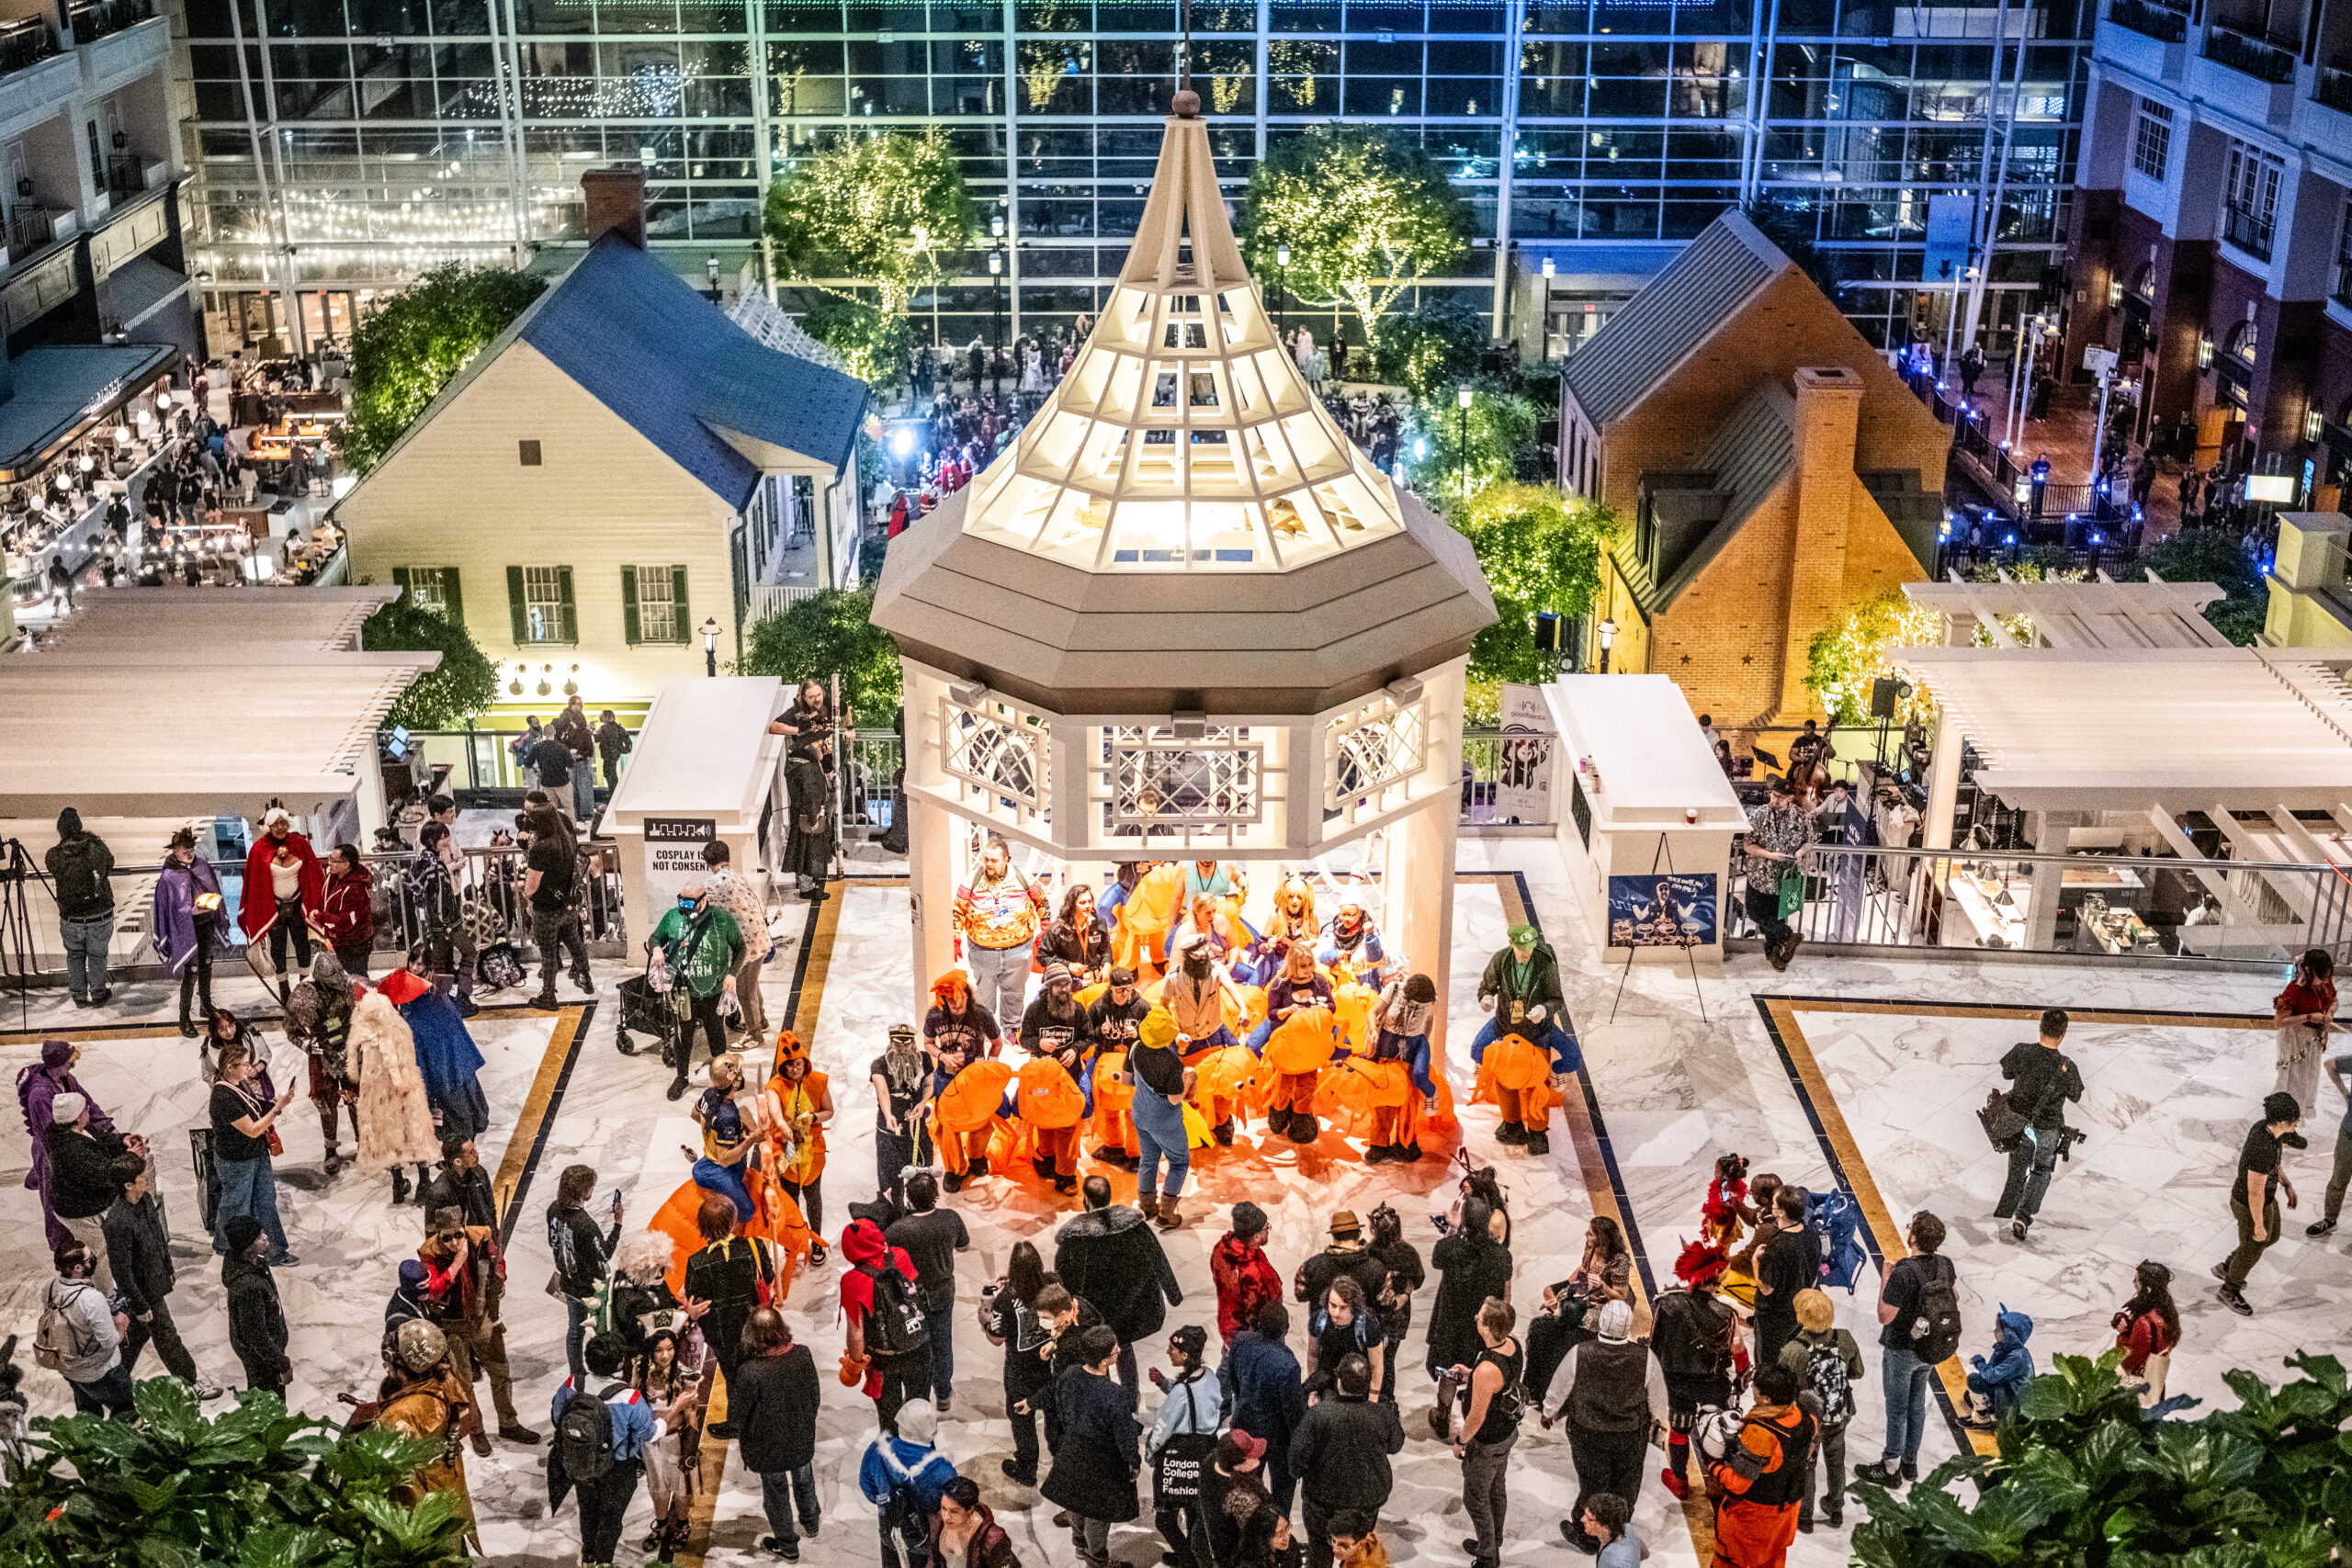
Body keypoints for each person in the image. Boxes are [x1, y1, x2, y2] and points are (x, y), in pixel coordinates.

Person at [1542, 1299, 1665, 1552]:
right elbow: (1658, 1400)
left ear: (1601, 1322)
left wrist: (1549, 1412)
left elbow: (1559, 1386)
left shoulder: (1580, 1352)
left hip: (1587, 1433)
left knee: (1592, 1484)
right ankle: (1617, 1534)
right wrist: (1661, 1423)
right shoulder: (1646, 1358)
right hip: (1630, 1435)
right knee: (1626, 1485)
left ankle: (1587, 1536)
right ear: (1629, 1325)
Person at [421, 1203, 538, 1449]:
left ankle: (508, 1423)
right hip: (453, 1326)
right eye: (447, 1238)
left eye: (458, 1235)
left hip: (482, 1318)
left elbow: (498, 1261)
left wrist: (500, 1280)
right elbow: (434, 1290)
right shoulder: (429, 1252)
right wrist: (458, 1261)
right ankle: (476, 1430)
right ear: (438, 1235)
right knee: (464, 1382)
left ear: (464, 1228)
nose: (454, 1242)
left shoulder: (481, 1236)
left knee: (501, 1372)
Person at [1056, 1173, 1183, 1397]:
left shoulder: (1075, 1238)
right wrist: (1173, 1294)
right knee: (1124, 1349)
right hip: (1131, 1307)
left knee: (1098, 1355)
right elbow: (1158, 1257)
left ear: (1086, 1200)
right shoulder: (1134, 1226)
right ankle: (1131, 1399)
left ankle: (1106, 1399)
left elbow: (1064, 1278)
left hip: (1096, 1313)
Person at [1856, 1210, 1957, 1488]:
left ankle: (1891, 1467)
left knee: (1898, 1409)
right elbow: (1954, 1297)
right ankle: (1910, 1463)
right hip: (1931, 1348)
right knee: (1917, 1405)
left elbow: (1884, 1316)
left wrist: (1885, 1277)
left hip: (1902, 1348)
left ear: (1913, 1237)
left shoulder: (1903, 1272)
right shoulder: (1945, 1265)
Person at [548, 1334, 664, 1568]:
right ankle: (604, 1561)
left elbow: (556, 1416)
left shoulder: (572, 1384)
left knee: (588, 1511)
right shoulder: (629, 1398)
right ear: (620, 1363)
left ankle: (588, 1558)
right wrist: (665, 1421)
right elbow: (650, 1434)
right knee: (611, 1518)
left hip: (582, 1461)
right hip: (617, 1468)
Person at [103, 1153, 215, 1393]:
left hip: (155, 1280)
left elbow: (158, 1237)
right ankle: (189, 1383)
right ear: (128, 1185)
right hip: (143, 1291)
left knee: (136, 1336)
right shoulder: (117, 1222)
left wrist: (168, 1267)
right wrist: (141, 1305)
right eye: (142, 1177)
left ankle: (112, 1380)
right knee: (167, 1336)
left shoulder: (144, 1200)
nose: (148, 1179)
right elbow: (121, 1271)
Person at [1290, 1353, 1403, 1568]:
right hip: (1366, 1504)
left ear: (1339, 1381)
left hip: (1321, 1503)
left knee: (1319, 1553)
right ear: (1368, 1383)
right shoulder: (1381, 1415)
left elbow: (1296, 1459)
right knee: (1357, 1555)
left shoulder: (1319, 1414)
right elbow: (1396, 1445)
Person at [1470, 926, 1576, 1153]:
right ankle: (1512, 1126)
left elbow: (1556, 999)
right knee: (1504, 1080)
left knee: (1538, 1083)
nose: (1526, 953)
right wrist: (1486, 997)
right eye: (1521, 948)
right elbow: (1486, 986)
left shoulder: (1545, 964)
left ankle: (1538, 1133)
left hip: (1538, 1033)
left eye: (1529, 948)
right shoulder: (1500, 960)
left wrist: (1543, 1010)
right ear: (1511, 943)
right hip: (1505, 1028)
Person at [683, 1194, 781, 1434]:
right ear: (733, 1221)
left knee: (733, 1377)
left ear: (701, 1225)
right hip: (754, 1325)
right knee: (759, 1368)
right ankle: (767, 1414)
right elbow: (768, 1277)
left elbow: (694, 1299)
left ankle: (737, 1423)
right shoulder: (754, 1247)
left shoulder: (696, 1262)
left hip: (721, 1333)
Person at [1047, 1325, 1143, 1568]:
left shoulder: (1070, 1374)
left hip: (1072, 1450)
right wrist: (1134, 1462)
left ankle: (1079, 1545)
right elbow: (1125, 1436)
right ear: (1104, 1360)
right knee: (1097, 1514)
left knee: (1074, 1501)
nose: (1118, 1352)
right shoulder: (1114, 1394)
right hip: (1102, 1462)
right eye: (1115, 1350)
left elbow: (1060, 1408)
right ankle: (1098, 1560)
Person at [732, 1306, 821, 1560]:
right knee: (805, 1480)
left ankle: (787, 1545)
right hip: (801, 1436)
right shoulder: (802, 1354)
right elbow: (814, 1397)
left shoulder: (750, 1372)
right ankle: (811, 1522)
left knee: (776, 1492)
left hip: (767, 1446)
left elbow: (738, 1415)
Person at [1705, 1362, 1815, 1568]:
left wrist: (1715, 1468)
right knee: (1772, 1560)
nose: (1752, 1389)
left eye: (1755, 1386)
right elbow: (1808, 1450)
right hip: (1786, 1516)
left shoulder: (1760, 1432)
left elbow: (1738, 1484)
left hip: (1753, 1520)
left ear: (1766, 1398)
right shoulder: (1803, 1416)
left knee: (1729, 1562)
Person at [648, 877, 745, 1100]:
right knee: (683, 1037)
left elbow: (740, 947)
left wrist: (732, 973)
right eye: (682, 901)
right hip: (684, 994)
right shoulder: (673, 917)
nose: (685, 907)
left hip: (713, 993)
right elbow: (655, 937)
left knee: (716, 1035)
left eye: (690, 903)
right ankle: (682, 1077)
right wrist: (657, 950)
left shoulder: (722, 919)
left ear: (703, 900)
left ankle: (723, 1077)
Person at [1994, 1008, 2085, 1243]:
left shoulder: (2022, 1051)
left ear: (2040, 1028)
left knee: (2017, 1167)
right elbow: (2076, 1095)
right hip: (2048, 1128)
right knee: (2042, 1170)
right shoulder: (2067, 1067)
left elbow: (2007, 1073)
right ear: (2063, 1034)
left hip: (2018, 1123)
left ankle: (2007, 1208)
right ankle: (2023, 1216)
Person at [381, 954, 492, 1144]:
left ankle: (462, 1140)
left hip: (443, 1063)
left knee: (454, 1101)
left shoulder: (424, 999)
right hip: (453, 1058)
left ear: (428, 966)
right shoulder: (434, 991)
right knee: (461, 1094)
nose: (414, 967)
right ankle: (471, 1127)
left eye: (419, 964)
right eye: (412, 962)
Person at [888, 1171, 972, 1411]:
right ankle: (943, 1394)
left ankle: (917, 1397)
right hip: (942, 1291)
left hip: (911, 1296)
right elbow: (964, 1247)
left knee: (915, 1346)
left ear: (909, 1199)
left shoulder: (899, 1230)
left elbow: (883, 1253)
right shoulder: (950, 1218)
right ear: (935, 1195)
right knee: (942, 1343)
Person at [349, 985, 439, 1206]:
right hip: (405, 1092)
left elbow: (354, 1070)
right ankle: (424, 1182)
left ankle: (398, 1184)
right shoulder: (399, 1027)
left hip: (377, 1099)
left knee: (389, 1140)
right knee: (416, 1135)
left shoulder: (360, 1033)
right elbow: (411, 1060)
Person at [209, 1040, 297, 1265]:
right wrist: (278, 1109)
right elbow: (252, 1129)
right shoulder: (223, 1096)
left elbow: (254, 1108)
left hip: (255, 1153)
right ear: (230, 1067)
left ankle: (275, 1251)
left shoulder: (241, 1084)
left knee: (265, 1201)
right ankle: (227, 1248)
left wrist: (272, 1104)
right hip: (237, 1160)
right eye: (245, 1064)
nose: (250, 1068)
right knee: (236, 1205)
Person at [2217, 1091, 2304, 1316]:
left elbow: (2275, 1163)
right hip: (2250, 1204)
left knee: (2271, 1237)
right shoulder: (2262, 1148)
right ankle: (2229, 1289)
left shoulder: (2267, 1130)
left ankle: (2228, 1266)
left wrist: (2286, 1184)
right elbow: (2254, 1192)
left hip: (2266, 1198)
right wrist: (2258, 1224)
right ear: (2282, 1122)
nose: (2297, 1122)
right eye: (2294, 1119)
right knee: (2254, 1245)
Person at [1778, 1288, 1859, 1530]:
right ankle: (1836, 1510)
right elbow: (1858, 1372)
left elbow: (1782, 1389)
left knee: (1808, 1464)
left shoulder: (1793, 1349)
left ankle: (1805, 1518)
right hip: (1838, 1413)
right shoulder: (1844, 1338)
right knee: (1836, 1461)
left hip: (1809, 1419)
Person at [1451, 1299, 1523, 1568]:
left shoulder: (1487, 1370)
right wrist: (1470, 1375)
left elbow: (1476, 1418)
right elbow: (1498, 1382)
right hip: (1506, 1433)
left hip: (1487, 1443)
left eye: (1480, 1318)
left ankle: (1488, 1556)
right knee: (1496, 1489)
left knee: (1475, 1499)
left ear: (1489, 1328)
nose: (1475, 1318)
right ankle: (1494, 1539)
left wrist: (1460, 1441)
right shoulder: (1512, 1342)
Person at [841, 1213, 926, 1433]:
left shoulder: (852, 1281)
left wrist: (856, 1363)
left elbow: (856, 1331)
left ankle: (892, 1452)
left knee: (889, 1419)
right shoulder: (900, 1256)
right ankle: (921, 1448)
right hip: (918, 1345)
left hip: (882, 1359)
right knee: (920, 1410)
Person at [1221, 1302, 1307, 1515]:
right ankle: (1279, 1524)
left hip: (1245, 1423)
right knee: (1282, 1487)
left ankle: (1249, 1520)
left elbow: (1233, 1381)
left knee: (1247, 1484)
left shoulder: (1241, 1342)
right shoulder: (1287, 1363)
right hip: (1277, 1435)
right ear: (1286, 1329)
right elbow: (1293, 1412)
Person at [1148, 1324, 1221, 1568]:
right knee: (1193, 1512)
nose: (1168, 1351)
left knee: (1164, 1521)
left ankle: (1188, 1560)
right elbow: (1195, 1396)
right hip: (1207, 1454)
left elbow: (1161, 1429)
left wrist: (1150, 1454)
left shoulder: (1180, 1392)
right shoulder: (1210, 1377)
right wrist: (1165, 1384)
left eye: (1173, 1348)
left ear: (1186, 1354)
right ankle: (1191, 1554)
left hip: (1181, 1458)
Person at [956, 836, 1048, 1027]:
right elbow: (958, 910)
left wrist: (1046, 929)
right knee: (984, 998)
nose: (989, 864)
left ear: (1006, 859)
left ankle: (1012, 1031)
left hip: (1019, 951)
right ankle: (986, 1033)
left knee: (1014, 996)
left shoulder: (1023, 878)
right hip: (983, 952)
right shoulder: (972, 880)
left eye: (994, 860)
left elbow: (1042, 901)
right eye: (986, 859)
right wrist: (955, 939)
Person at [283, 952, 362, 1175]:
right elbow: (291, 1030)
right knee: (326, 1101)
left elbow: (357, 1014)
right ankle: (330, 1148)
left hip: (348, 1047)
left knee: (356, 1096)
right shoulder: (304, 995)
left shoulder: (347, 985)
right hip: (323, 1053)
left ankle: (363, 1143)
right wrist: (307, 1045)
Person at [44, 1091, 130, 1292]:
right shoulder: (71, 1149)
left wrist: (122, 1140)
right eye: (85, 1109)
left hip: (85, 1201)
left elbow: (101, 1142)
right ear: (75, 1116)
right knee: (98, 1253)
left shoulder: (75, 1129)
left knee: (109, 1246)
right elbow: (103, 1175)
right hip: (78, 1211)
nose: (88, 1110)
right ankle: (108, 1298)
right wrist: (131, 1158)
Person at [547, 1163, 623, 1386]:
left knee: (574, 1330)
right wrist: (618, 1224)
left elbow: (554, 1242)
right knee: (602, 1328)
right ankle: (605, 1366)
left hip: (568, 1282)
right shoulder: (585, 1225)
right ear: (585, 1191)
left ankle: (576, 1375)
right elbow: (605, 1253)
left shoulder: (553, 1209)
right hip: (591, 1288)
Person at [984, 1241, 1052, 1486]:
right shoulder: (1052, 1286)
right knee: (1054, 1412)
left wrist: (985, 1317)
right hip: (1049, 1363)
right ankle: (1061, 1462)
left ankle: (1026, 1468)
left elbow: (996, 1337)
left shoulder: (1004, 1300)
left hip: (1019, 1369)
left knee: (1022, 1419)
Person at [239, 807, 324, 1002]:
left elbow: (313, 873)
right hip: (273, 908)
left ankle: (305, 984)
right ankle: (283, 987)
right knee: (277, 947)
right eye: (275, 824)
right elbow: (254, 883)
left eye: (283, 823)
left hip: (297, 905)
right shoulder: (259, 849)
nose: (280, 827)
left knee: (302, 944)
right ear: (267, 826)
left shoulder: (300, 844)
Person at [861, 1396, 957, 1568]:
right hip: (924, 1538)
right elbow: (950, 1510)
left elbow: (868, 1488)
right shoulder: (942, 1470)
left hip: (890, 1529)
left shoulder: (876, 1451)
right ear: (932, 1431)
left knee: (891, 1561)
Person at [1425, 1196, 1512, 1378]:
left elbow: (1437, 1261)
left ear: (1464, 1220)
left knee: (1449, 1375)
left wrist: (1453, 1228)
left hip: (1450, 1325)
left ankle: (1445, 1398)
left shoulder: (1448, 1247)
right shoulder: (1502, 1255)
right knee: (1480, 1376)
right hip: (1483, 1327)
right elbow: (1506, 1295)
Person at [43, 1240, 132, 1416]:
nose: (93, 1259)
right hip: (101, 1372)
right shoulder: (92, 1299)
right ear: (78, 1268)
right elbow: (109, 1341)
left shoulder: (50, 1287)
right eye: (89, 1258)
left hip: (69, 1369)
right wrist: (120, 1324)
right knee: (130, 1412)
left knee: (88, 1417)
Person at [153, 827, 227, 1036]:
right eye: (184, 850)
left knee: (206, 964)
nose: (189, 853)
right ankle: (184, 1017)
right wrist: (189, 911)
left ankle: (206, 1004)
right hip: (186, 929)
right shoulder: (169, 876)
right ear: (175, 851)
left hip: (206, 922)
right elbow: (166, 909)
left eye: (191, 849)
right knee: (191, 971)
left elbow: (213, 886)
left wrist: (212, 903)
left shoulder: (202, 865)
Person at [634, 1327, 699, 1558]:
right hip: (650, 1443)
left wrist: (690, 1448)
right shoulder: (640, 1370)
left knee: (680, 1489)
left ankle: (682, 1524)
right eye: (659, 1350)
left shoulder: (685, 1374)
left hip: (675, 1440)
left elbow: (691, 1414)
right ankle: (661, 1524)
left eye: (670, 1349)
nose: (665, 1355)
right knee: (657, 1488)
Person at [702, 839, 775, 1043]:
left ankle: (755, 1035)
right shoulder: (737, 876)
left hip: (746, 945)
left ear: (708, 862)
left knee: (744, 990)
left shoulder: (713, 884)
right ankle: (761, 1021)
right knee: (752, 984)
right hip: (760, 938)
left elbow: (700, 909)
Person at [522, 805, 594, 1010]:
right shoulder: (568, 841)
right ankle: (585, 977)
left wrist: (527, 894)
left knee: (548, 953)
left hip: (546, 908)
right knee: (574, 941)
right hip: (568, 905)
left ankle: (548, 996)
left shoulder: (540, 849)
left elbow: (532, 884)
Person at [1741, 774, 1815, 970]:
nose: (1774, 799)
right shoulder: (1759, 814)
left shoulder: (1800, 816)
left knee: (1776, 918)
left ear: (1790, 798)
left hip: (1783, 879)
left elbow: (1809, 841)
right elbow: (1748, 845)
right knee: (1755, 912)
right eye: (1773, 795)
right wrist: (1770, 855)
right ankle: (1788, 935)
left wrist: (1800, 852)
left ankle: (1775, 955)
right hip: (1760, 876)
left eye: (1780, 797)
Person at [1129, 1009, 1194, 1227]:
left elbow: (1128, 1080)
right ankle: (1167, 1214)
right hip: (1165, 1121)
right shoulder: (1172, 1063)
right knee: (1179, 1162)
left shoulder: (1136, 1048)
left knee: (1148, 1160)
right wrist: (1189, 1079)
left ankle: (1147, 1207)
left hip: (1140, 1113)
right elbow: (1175, 1099)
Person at [44, 807, 114, 1007]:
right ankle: (98, 993)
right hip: (100, 914)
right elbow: (110, 864)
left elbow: (55, 870)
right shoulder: (97, 847)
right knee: (98, 955)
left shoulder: (54, 855)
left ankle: (79, 996)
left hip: (71, 918)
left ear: (61, 830)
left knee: (74, 956)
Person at [220, 1215, 290, 1397]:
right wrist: (281, 1363)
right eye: (259, 1237)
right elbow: (256, 1335)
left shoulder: (253, 1261)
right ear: (247, 1246)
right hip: (263, 1359)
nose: (265, 1237)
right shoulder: (249, 1287)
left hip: (268, 1352)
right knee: (269, 1400)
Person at [1752, 1185, 1817, 1366]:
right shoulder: (1811, 1233)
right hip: (1800, 1310)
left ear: (1780, 1213)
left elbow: (1766, 1288)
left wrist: (1755, 1262)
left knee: (1770, 1362)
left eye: (1773, 1205)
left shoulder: (1777, 1246)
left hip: (1775, 1318)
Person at [873, 1022, 931, 1206]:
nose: (903, 1049)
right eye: (898, 1045)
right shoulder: (879, 1065)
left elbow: (929, 1084)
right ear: (891, 1043)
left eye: (907, 1044)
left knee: (922, 1176)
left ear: (913, 1043)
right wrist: (888, 1114)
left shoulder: (924, 1059)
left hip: (916, 1128)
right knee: (891, 1180)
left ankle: (922, 1211)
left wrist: (923, 1102)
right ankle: (895, 1213)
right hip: (890, 1131)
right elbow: (882, 1092)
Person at [2274, 950, 2335, 1117]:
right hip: (2295, 1038)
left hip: (2313, 1039)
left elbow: (2331, 1003)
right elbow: (2278, 1022)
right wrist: (2308, 1017)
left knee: (2309, 1074)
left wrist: (2329, 1014)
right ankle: (2287, 1115)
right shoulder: (2295, 990)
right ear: (2308, 970)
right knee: (2294, 1077)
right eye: (2321, 975)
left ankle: (2301, 1110)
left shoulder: (2324, 985)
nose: (2325, 980)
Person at [2111, 1261, 2180, 1407]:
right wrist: (2122, 1319)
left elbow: (2128, 1360)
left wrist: (2124, 1334)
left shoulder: (2145, 1322)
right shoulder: (2166, 1309)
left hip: (2137, 1385)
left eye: (2136, 1280)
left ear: (2146, 1287)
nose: (2134, 1283)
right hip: (2155, 1377)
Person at [1214, 1201, 1283, 1346]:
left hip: (1228, 1328)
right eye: (1266, 1228)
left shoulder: (1221, 1248)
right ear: (1256, 1236)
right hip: (1249, 1343)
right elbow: (1258, 1319)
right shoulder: (1254, 1275)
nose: (1268, 1231)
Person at [1961, 1304, 2034, 1430]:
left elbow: (1990, 1377)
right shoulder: (2004, 1348)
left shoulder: (2017, 1356)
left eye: (1999, 1330)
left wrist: (1979, 1363)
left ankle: (1982, 1418)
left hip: (2014, 1403)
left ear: (2011, 1334)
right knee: (1970, 1395)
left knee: (1974, 1380)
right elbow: (1991, 1370)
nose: (1995, 1332)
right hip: (2006, 1390)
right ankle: (1991, 1408)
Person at [926, 1477, 1017, 1568]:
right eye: (943, 1508)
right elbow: (933, 1561)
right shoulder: (937, 1522)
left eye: (954, 1511)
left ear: (970, 1511)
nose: (946, 1517)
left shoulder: (993, 1539)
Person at [2312, 1036, 2352, 1237]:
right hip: (2349, 1132)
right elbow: (2329, 1065)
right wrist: (2345, 1094)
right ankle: (2329, 1220)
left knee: (2338, 1178)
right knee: (2339, 1178)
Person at [783, 740, 832, 901]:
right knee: (808, 852)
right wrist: (813, 818)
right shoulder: (807, 768)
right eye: (818, 746)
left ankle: (804, 882)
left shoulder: (795, 763)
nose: (822, 749)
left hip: (800, 812)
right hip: (809, 815)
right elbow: (811, 795)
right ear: (809, 747)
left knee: (802, 849)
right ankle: (807, 887)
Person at [318, 843, 377, 979]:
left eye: (334, 860)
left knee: (357, 978)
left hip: (354, 943)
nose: (329, 863)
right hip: (342, 941)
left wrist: (322, 917)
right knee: (353, 978)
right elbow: (325, 900)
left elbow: (345, 922)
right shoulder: (335, 878)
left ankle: (366, 993)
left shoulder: (355, 890)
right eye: (330, 858)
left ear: (346, 864)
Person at [551, 696, 598, 822]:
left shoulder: (567, 724)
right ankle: (586, 815)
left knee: (574, 789)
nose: (581, 706)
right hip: (579, 761)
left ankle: (577, 814)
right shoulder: (570, 722)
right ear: (572, 705)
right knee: (584, 788)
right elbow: (588, 748)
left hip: (571, 761)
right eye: (579, 704)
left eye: (582, 704)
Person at [1582, 1495, 1641, 1568]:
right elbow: (1645, 1553)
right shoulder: (1627, 1529)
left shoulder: (1609, 1558)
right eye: (1585, 1515)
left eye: (1590, 1519)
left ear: (1606, 1526)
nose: (1582, 1519)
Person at [595, 709, 632, 789]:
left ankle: (614, 792)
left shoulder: (605, 728)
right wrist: (623, 750)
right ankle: (615, 791)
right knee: (611, 774)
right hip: (613, 755)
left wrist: (592, 731)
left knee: (609, 774)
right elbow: (627, 740)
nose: (600, 717)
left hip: (609, 755)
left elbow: (597, 738)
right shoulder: (618, 728)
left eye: (602, 716)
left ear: (605, 717)